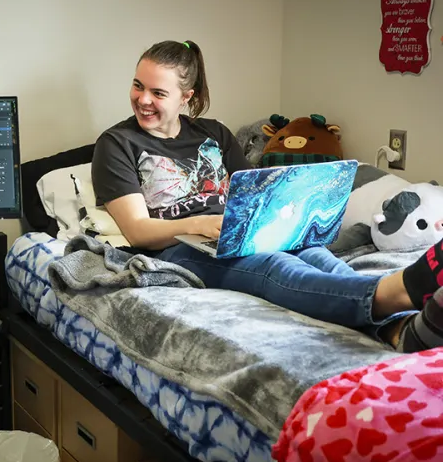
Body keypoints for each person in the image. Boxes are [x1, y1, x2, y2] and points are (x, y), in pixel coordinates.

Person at [92, 39, 443, 352]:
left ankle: (401, 324)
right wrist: (202, 224)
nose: (143, 99)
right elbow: (138, 230)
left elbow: (257, 190)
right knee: (276, 265)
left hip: (235, 232)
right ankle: (397, 293)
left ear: (187, 97)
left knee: (312, 252)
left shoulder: (214, 133)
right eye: (138, 86)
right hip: (177, 248)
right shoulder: (117, 144)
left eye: (158, 92)